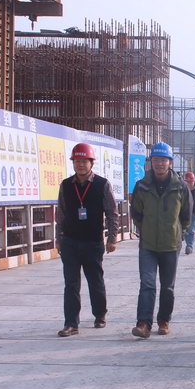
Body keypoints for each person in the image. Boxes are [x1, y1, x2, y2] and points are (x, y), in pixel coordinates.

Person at [55, 143, 119, 337]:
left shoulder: (102, 184)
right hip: (70, 241)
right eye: (77, 161)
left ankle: (100, 314)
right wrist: (58, 239)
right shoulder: (66, 185)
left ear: (91, 163)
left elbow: (112, 213)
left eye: (84, 161)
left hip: (93, 242)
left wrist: (112, 238)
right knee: (71, 284)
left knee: (95, 280)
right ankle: (71, 323)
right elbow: (61, 214)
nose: (80, 165)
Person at [130, 142, 193, 339]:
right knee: (147, 284)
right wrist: (146, 229)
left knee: (167, 287)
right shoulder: (142, 186)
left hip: (171, 244)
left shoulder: (180, 187)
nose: (159, 164)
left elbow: (186, 215)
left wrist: (178, 232)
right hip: (148, 245)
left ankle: (164, 320)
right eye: (156, 160)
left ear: (170, 162)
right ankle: (143, 324)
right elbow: (136, 213)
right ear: (151, 162)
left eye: (163, 160)